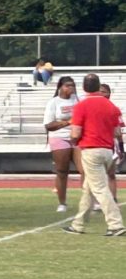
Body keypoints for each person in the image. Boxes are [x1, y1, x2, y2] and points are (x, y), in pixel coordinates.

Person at [62, 73, 125, 237]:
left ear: (84, 87)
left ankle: (116, 224)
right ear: (98, 87)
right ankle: (78, 224)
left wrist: (73, 142)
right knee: (89, 188)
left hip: (91, 149)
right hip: (107, 150)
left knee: (99, 188)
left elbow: (76, 132)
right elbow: (117, 131)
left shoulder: (81, 106)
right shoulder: (111, 106)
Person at [43, 75, 81, 213]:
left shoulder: (77, 100)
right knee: (62, 171)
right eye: (68, 85)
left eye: (72, 85)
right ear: (60, 87)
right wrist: (67, 122)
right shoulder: (54, 102)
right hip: (59, 137)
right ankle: (62, 203)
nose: (71, 88)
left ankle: (90, 201)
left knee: (85, 170)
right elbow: (49, 125)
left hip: (76, 137)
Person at [100, 83, 124, 202]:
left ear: (109, 93)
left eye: (104, 91)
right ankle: (99, 200)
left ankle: (113, 198)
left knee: (110, 173)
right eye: (99, 91)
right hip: (97, 143)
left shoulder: (114, 109)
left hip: (110, 144)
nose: (101, 94)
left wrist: (121, 147)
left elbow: (118, 131)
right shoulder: (94, 108)